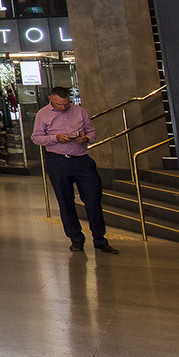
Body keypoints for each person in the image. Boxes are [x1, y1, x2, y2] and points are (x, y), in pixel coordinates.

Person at [35, 86, 116, 254]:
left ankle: (100, 240)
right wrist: (55, 138)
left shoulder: (80, 111)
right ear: (51, 99)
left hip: (82, 160)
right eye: (59, 104)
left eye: (66, 104)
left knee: (93, 199)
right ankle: (76, 239)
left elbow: (91, 132)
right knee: (66, 201)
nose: (64, 108)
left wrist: (86, 138)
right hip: (58, 160)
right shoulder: (42, 114)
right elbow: (36, 138)